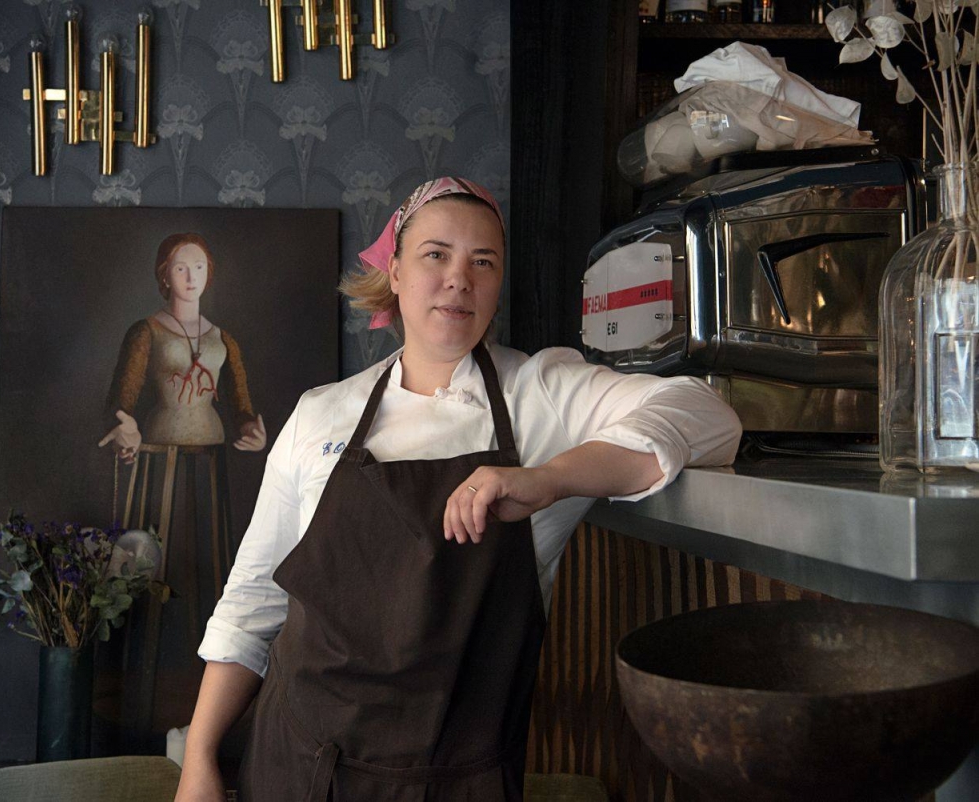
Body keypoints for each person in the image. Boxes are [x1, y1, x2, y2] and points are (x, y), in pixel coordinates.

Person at [173, 178, 742, 801]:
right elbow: (252, 604)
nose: (459, 279)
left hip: (456, 785)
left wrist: (550, 478)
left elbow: (707, 415)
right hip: (297, 772)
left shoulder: (541, 394)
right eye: (436, 255)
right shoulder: (321, 413)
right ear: (395, 271)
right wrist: (199, 758)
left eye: (483, 261)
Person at [99, 232, 267, 747]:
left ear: (209, 274)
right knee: (152, 566)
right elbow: (121, 399)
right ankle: (141, 700)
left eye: (199, 266)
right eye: (180, 267)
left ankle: (212, 707)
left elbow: (240, 402)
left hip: (209, 461)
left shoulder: (223, 339)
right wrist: (124, 424)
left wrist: (250, 428)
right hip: (159, 460)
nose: (191, 276)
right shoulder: (146, 332)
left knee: (214, 570)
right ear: (164, 275)